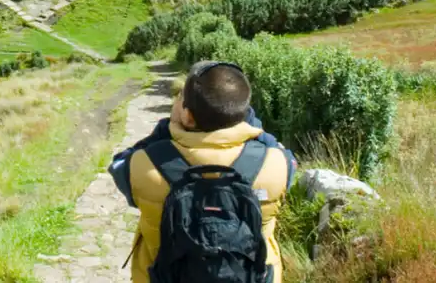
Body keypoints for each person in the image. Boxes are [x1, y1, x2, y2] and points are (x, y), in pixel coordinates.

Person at [109, 61, 296, 283]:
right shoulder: (277, 163)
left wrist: (164, 129)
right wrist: (252, 127)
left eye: (180, 97)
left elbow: (118, 163)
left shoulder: (144, 164)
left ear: (188, 116)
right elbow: (277, 148)